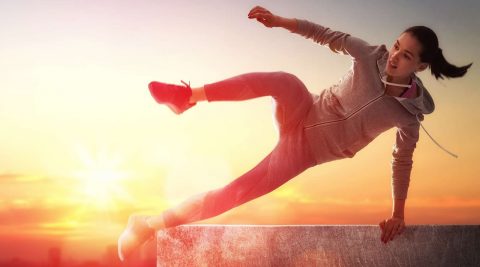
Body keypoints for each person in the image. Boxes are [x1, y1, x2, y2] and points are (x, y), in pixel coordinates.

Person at [117, 6, 472, 261]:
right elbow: (326, 35)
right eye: (396, 46)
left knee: (236, 191)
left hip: (306, 153)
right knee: (285, 82)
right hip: (304, 109)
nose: (394, 57)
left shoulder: (408, 117)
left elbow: (402, 161)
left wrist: (398, 213)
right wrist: (280, 22)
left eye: (406, 56)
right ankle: (186, 97)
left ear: (420, 68)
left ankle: (147, 224)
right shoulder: (369, 55)